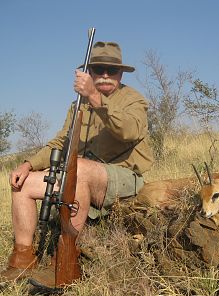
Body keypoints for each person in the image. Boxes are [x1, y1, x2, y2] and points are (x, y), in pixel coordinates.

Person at [0, 41, 154, 283]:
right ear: (90, 72)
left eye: (111, 70)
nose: (105, 75)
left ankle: (64, 261)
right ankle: (22, 259)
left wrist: (94, 96)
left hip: (122, 178)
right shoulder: (77, 105)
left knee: (78, 168)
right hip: (81, 174)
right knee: (23, 183)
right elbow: (63, 139)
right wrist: (28, 164)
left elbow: (130, 131)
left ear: (121, 74)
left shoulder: (133, 100)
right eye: (98, 69)